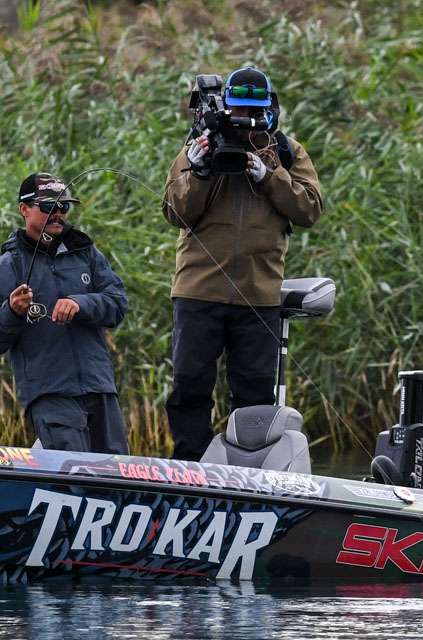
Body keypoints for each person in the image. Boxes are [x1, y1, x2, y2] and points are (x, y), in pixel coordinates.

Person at [162, 67, 324, 461]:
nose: (245, 120)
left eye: (253, 112)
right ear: (225, 107)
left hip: (258, 293)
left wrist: (269, 175)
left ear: (268, 109)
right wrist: (199, 171)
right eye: (238, 111)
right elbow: (174, 212)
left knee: (254, 391)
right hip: (199, 290)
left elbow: (310, 208)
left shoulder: (285, 150)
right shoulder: (198, 145)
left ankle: (249, 468)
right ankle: (189, 465)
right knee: (189, 383)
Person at [0, 172, 129, 454]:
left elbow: (117, 303)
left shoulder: (86, 252)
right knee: (74, 472)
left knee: (116, 472)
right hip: (50, 394)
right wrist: (12, 311)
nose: (58, 213)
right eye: (49, 206)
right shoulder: (8, 266)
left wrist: (80, 304)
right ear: (24, 209)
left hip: (100, 388)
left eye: (63, 206)